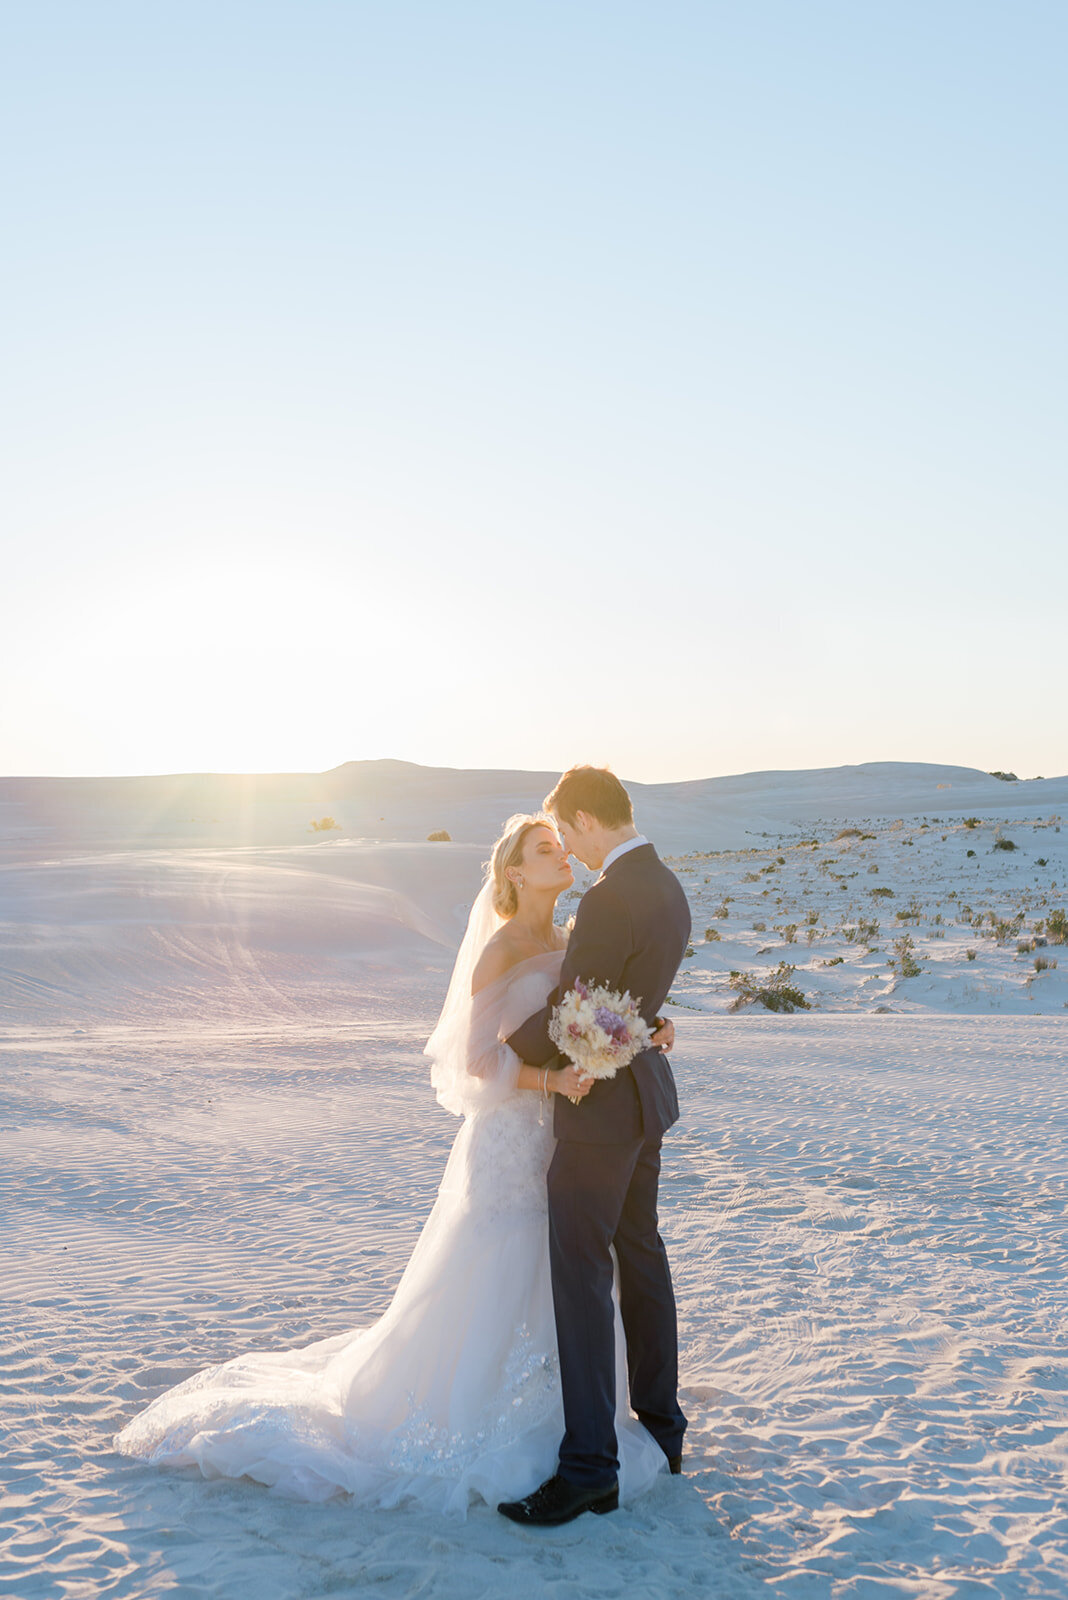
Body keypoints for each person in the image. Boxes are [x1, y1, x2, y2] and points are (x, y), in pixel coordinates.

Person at [114, 812, 676, 1517]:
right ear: (514, 872)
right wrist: (548, 1083)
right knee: (505, 1265)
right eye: (544, 849)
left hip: (566, 1135)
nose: (562, 855)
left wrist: (646, 1029)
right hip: (512, 1135)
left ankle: (573, 1425)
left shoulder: (568, 940)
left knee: (560, 1272)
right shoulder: (500, 950)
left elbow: (595, 1016)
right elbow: (472, 1061)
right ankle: (491, 1421)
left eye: (563, 846)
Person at [498, 767, 691, 1527]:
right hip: (643, 1102)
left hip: (603, 1111)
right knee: (640, 1255)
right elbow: (632, 1001)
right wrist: (648, 1029)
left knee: (580, 1274)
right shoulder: (667, 885)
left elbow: (573, 1013)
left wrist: (504, 1054)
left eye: (567, 833)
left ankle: (588, 1470)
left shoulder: (611, 898)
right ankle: (664, 1429)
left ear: (584, 818)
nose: (570, 850)